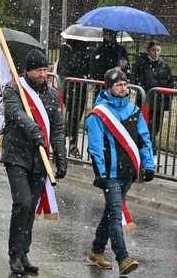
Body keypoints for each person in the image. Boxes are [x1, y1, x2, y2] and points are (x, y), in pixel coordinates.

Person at [85, 68, 155, 275]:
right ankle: (123, 258)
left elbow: (144, 140)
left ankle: (96, 251)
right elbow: (95, 147)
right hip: (110, 175)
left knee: (110, 213)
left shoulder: (134, 111)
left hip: (129, 173)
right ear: (109, 87)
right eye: (119, 85)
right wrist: (101, 175)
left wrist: (148, 165)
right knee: (116, 215)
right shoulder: (98, 114)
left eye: (125, 84)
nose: (124, 88)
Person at [2, 49, 67, 275]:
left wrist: (61, 156)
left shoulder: (50, 95)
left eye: (44, 70)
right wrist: (33, 130)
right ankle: (14, 254)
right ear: (27, 71)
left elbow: (57, 128)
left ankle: (23, 252)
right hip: (16, 154)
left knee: (31, 208)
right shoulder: (14, 89)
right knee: (22, 203)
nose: (42, 74)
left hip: (39, 158)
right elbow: (15, 112)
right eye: (38, 70)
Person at [133, 40, 174, 139]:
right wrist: (144, 97)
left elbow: (170, 83)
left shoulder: (164, 66)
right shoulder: (142, 65)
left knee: (157, 126)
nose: (156, 53)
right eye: (153, 50)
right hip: (147, 101)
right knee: (146, 125)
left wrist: (167, 97)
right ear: (148, 51)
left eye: (158, 50)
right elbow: (138, 82)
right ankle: (148, 144)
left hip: (160, 102)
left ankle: (150, 143)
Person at [58, 38, 91, 158]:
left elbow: (87, 67)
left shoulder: (85, 48)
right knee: (73, 114)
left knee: (77, 114)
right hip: (69, 85)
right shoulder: (66, 48)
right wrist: (78, 53)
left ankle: (62, 136)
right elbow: (71, 66)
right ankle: (72, 144)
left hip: (81, 85)